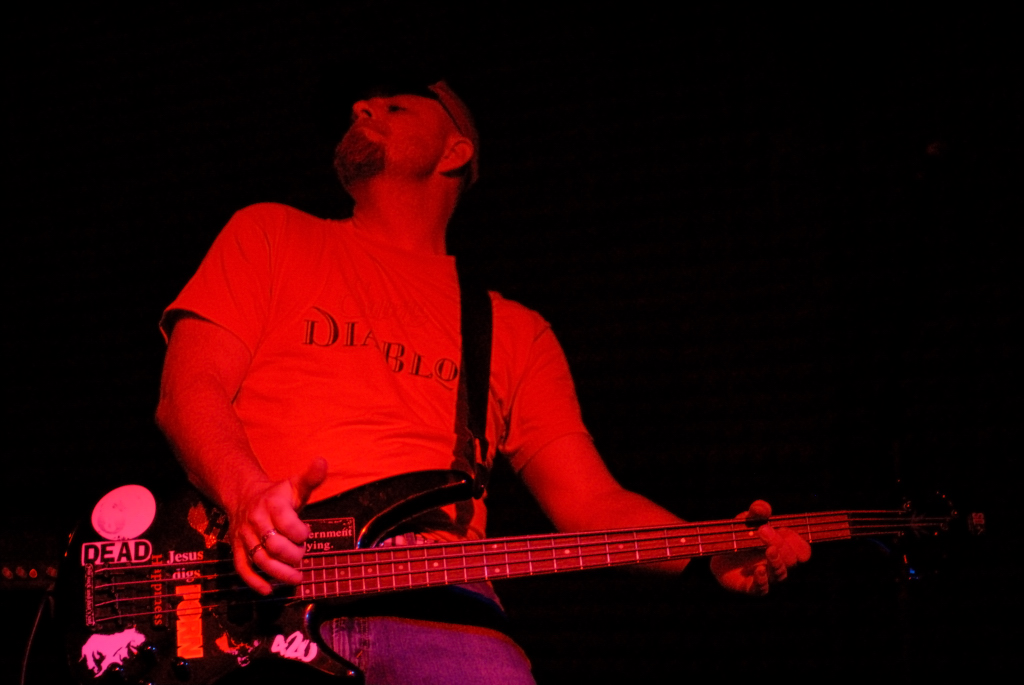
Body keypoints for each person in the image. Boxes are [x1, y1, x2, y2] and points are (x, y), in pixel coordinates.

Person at [155, 79, 811, 684]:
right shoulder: (270, 233)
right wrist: (246, 493)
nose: (362, 107)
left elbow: (592, 502)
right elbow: (189, 389)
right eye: (365, 103)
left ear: (455, 151)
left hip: (446, 609)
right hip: (259, 594)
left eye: (395, 106)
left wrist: (709, 550)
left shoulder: (514, 330)